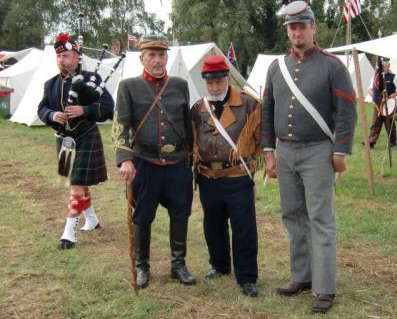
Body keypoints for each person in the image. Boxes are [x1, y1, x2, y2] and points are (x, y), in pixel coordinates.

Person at [261, 0, 357, 314]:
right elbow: (268, 112)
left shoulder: (333, 66)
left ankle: (325, 288)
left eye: (302, 26)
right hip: (286, 151)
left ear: (313, 28)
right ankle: (301, 276)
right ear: (288, 31)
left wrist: (340, 151)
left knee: (321, 219)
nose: (297, 32)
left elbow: (346, 112)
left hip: (318, 150)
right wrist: (269, 153)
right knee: (293, 216)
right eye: (292, 27)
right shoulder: (276, 68)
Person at [112, 34, 196, 289]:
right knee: (143, 216)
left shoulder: (180, 85)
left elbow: (186, 123)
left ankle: (178, 265)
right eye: (152, 55)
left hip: (177, 163)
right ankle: (142, 266)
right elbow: (120, 126)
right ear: (142, 58)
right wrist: (125, 159)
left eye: (162, 55)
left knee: (181, 213)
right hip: (144, 164)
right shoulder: (128, 86)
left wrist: (192, 157)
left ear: (167, 57)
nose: (158, 60)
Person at [191, 55, 261, 297]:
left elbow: (261, 138)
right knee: (213, 225)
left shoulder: (249, 104)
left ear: (228, 79)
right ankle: (219, 265)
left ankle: (247, 276)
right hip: (208, 176)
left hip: (238, 175)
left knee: (243, 228)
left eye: (219, 81)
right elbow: (193, 140)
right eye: (209, 83)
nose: (214, 87)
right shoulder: (198, 108)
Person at [37, 33, 114, 250]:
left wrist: (85, 109)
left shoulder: (92, 79)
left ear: (77, 57)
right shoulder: (50, 84)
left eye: (67, 56)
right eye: (59, 57)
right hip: (64, 139)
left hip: (85, 135)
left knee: (77, 181)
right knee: (74, 182)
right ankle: (92, 219)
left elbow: (108, 106)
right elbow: (42, 108)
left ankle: (69, 231)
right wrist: (52, 115)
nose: (62, 60)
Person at [366, 59, 397, 148]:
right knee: (375, 123)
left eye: (384, 66)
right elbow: (370, 90)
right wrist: (377, 97)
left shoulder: (394, 77)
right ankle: (371, 142)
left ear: (388, 66)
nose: (383, 68)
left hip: (389, 104)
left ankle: (392, 142)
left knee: (389, 124)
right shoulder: (376, 77)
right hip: (378, 104)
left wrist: (392, 96)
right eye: (382, 66)